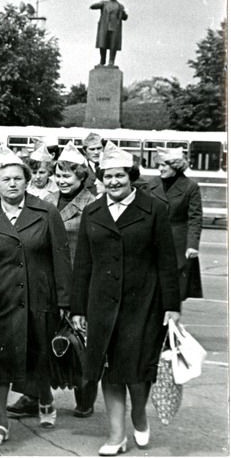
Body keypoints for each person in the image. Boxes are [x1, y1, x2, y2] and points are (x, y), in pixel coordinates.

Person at [71, 142, 181, 456]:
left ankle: (139, 413)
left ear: (130, 175)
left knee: (137, 369)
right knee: (109, 369)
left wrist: (172, 306)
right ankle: (117, 436)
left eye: (120, 175)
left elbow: (166, 261)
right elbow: (83, 263)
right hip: (102, 304)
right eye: (108, 176)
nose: (114, 181)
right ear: (101, 178)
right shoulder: (92, 211)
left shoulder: (154, 208)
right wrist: (78, 307)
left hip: (144, 302)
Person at [0, 144, 71, 446]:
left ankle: (44, 399)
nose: (12, 183)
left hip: (41, 298)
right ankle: (1, 424)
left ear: (27, 181)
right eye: (6, 179)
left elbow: (61, 258)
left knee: (39, 356)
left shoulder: (46, 212)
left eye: (18, 178)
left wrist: (65, 301)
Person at [8, 141, 99, 419]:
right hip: (45, 279)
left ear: (81, 177)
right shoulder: (45, 202)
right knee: (40, 338)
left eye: (67, 176)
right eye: (58, 175)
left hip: (79, 279)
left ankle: (84, 395)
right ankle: (34, 396)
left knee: (78, 338)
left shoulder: (92, 205)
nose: (61, 180)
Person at [145, 147, 203, 300]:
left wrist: (192, 245)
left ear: (175, 165)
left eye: (164, 165)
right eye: (159, 165)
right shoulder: (152, 184)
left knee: (175, 287)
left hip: (178, 243)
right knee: (151, 285)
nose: (160, 169)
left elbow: (195, 218)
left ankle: (171, 319)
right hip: (152, 240)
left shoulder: (190, 187)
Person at [90, 0, 128, 66]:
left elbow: (125, 17)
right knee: (102, 44)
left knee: (113, 45)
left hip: (114, 27)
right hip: (105, 26)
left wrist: (123, 14)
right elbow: (94, 6)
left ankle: (111, 61)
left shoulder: (120, 6)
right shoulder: (104, 3)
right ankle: (102, 60)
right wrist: (96, 5)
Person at [82, 132, 104, 196]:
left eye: (99, 148)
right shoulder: (81, 169)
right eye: (92, 149)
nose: (96, 152)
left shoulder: (111, 167)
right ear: (84, 150)